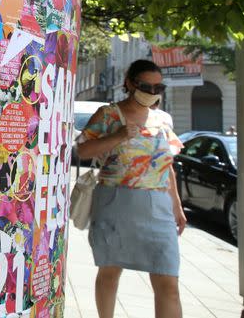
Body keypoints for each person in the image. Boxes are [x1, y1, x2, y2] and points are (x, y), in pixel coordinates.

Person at [76, 59, 187, 318]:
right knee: (110, 272)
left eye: (158, 88)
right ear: (129, 83)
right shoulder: (108, 114)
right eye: (145, 86)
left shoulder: (162, 120)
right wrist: (119, 136)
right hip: (116, 205)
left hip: (158, 211)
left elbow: (166, 167)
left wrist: (177, 207)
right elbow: (82, 150)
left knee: (168, 282)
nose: (152, 92)